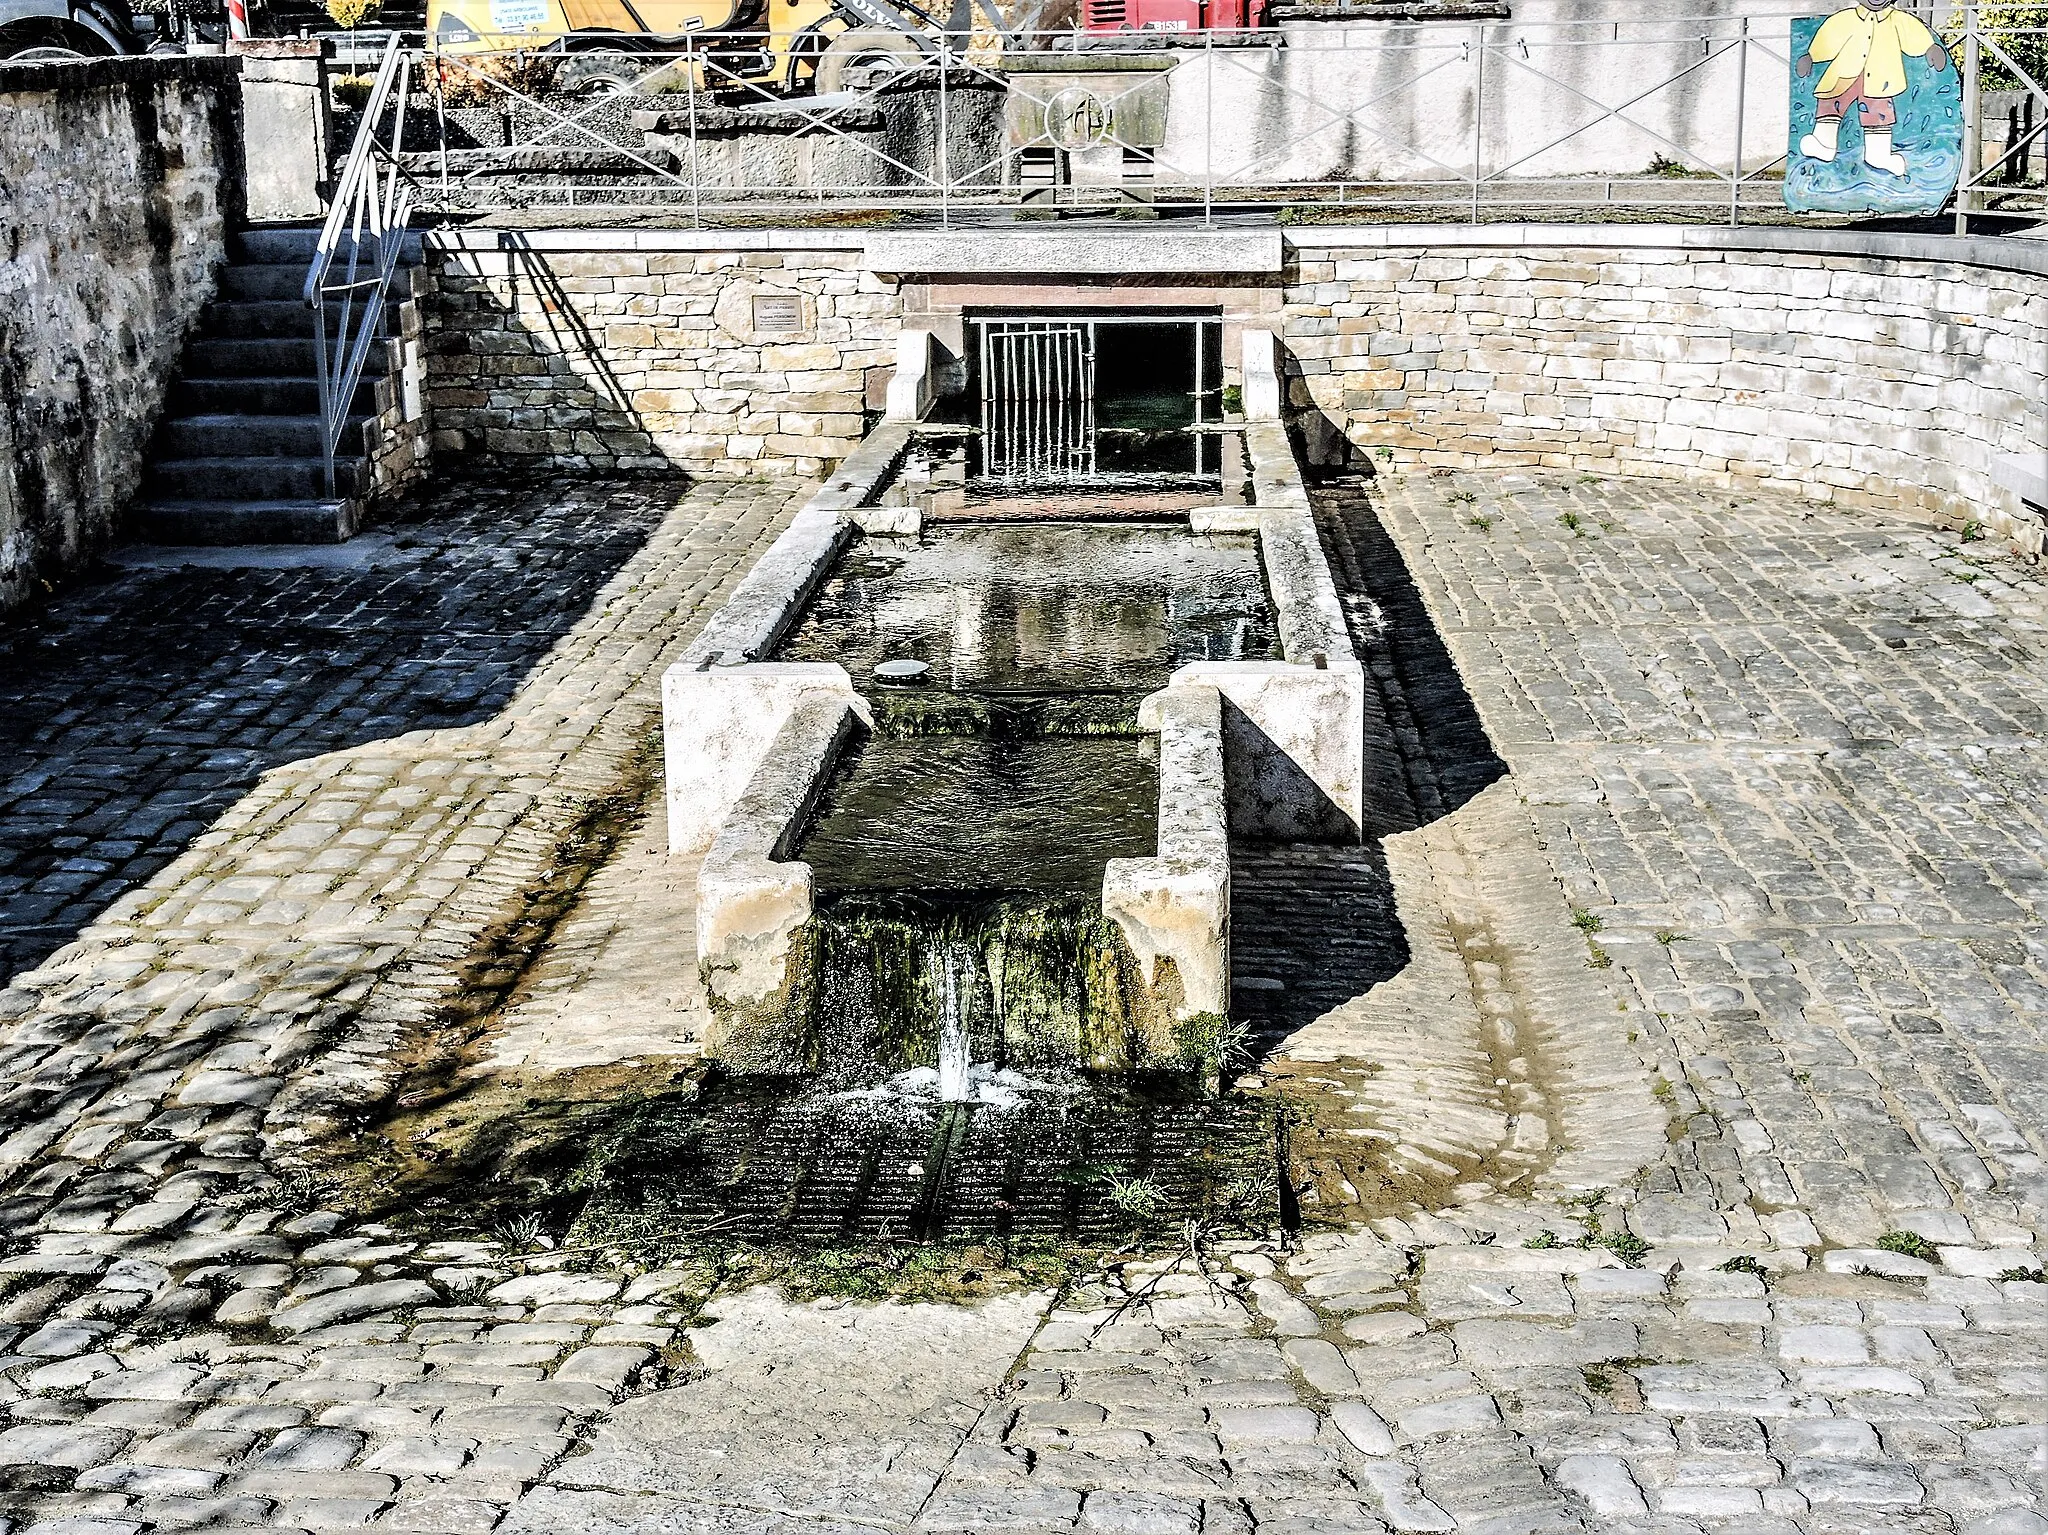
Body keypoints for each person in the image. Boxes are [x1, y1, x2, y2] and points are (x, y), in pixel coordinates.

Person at [1797, 0, 1950, 176]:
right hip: (1843, 74)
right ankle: (1823, 144)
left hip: (1881, 79)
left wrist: (1930, 48)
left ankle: (1878, 155)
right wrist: (1812, 56)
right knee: (1830, 103)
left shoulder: (1898, 20)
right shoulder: (1845, 19)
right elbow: (1829, 37)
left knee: (1879, 114)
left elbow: (1914, 34)